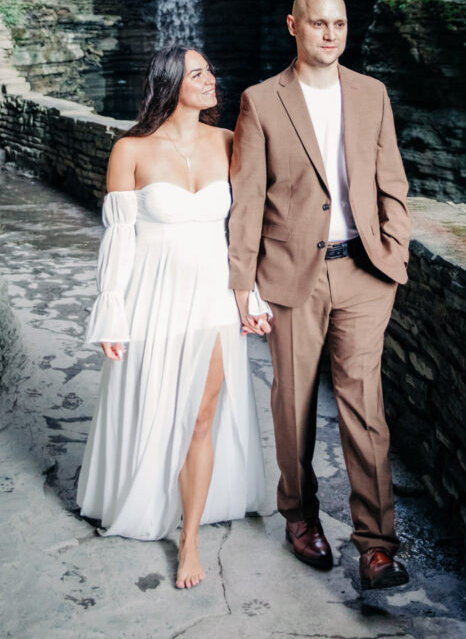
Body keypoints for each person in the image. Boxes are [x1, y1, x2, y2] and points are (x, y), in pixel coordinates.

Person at [228, 0, 411, 591]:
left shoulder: (371, 93)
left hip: (363, 270)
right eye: (318, 24)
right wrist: (242, 285)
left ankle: (377, 546)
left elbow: (391, 182)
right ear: (293, 26)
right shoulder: (260, 101)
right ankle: (299, 514)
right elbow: (247, 201)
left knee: (366, 407)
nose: (330, 34)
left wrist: (395, 253)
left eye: (339, 23)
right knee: (295, 403)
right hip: (289, 276)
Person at [77, 45, 270, 590]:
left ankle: (189, 541)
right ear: (170, 83)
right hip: (152, 297)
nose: (211, 79)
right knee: (156, 403)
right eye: (198, 73)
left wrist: (249, 297)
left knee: (201, 416)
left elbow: (248, 227)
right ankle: (143, 495)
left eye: (210, 69)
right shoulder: (131, 150)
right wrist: (111, 313)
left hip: (212, 296)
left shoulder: (230, 143)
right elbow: (117, 242)